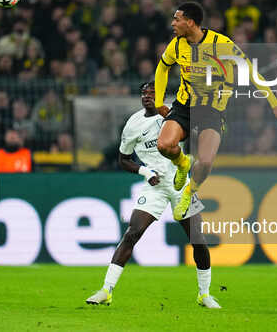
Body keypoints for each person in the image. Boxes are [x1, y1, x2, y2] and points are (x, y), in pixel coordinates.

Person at [85, 82, 220, 309]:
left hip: (180, 184)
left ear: (161, 96)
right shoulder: (133, 124)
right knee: (132, 233)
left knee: (198, 240)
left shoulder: (173, 116)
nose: (147, 96)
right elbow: (123, 159)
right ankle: (106, 290)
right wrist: (145, 172)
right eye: (144, 93)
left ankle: (204, 294)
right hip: (154, 186)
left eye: (152, 93)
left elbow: (197, 136)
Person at [154, 1, 277, 221]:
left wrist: (275, 103)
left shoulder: (223, 45)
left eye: (177, 19)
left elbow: (252, 72)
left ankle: (189, 193)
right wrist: (159, 100)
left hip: (212, 110)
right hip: (184, 105)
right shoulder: (176, 45)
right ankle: (182, 163)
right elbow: (163, 67)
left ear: (190, 23)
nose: (173, 23)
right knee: (164, 145)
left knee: (206, 162)